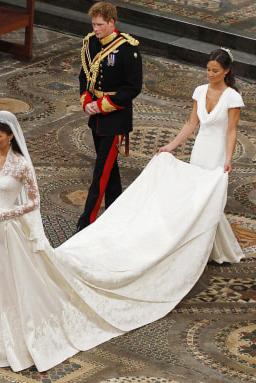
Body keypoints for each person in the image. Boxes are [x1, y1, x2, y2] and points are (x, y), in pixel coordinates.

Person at [0, 110, 232, 372]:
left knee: (9, 284)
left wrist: (6, 213)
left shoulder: (21, 165)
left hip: (7, 230)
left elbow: (33, 203)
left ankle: (7, 339)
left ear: (11, 136)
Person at [158, 47, 244, 263]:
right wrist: (171, 145)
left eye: (215, 71)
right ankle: (199, 248)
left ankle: (207, 250)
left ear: (226, 71)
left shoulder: (232, 97)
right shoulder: (199, 91)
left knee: (209, 200)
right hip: (201, 149)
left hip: (217, 152)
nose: (211, 74)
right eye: (208, 69)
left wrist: (228, 158)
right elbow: (191, 123)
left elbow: (231, 130)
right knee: (197, 197)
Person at [77, 1, 143, 232]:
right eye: (93, 24)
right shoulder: (91, 43)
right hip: (96, 116)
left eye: (100, 24)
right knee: (110, 171)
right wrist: (86, 100)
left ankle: (86, 224)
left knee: (101, 173)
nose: (95, 29)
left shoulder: (127, 49)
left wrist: (102, 106)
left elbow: (133, 87)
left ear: (112, 23)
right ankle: (117, 215)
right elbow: (84, 75)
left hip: (115, 117)